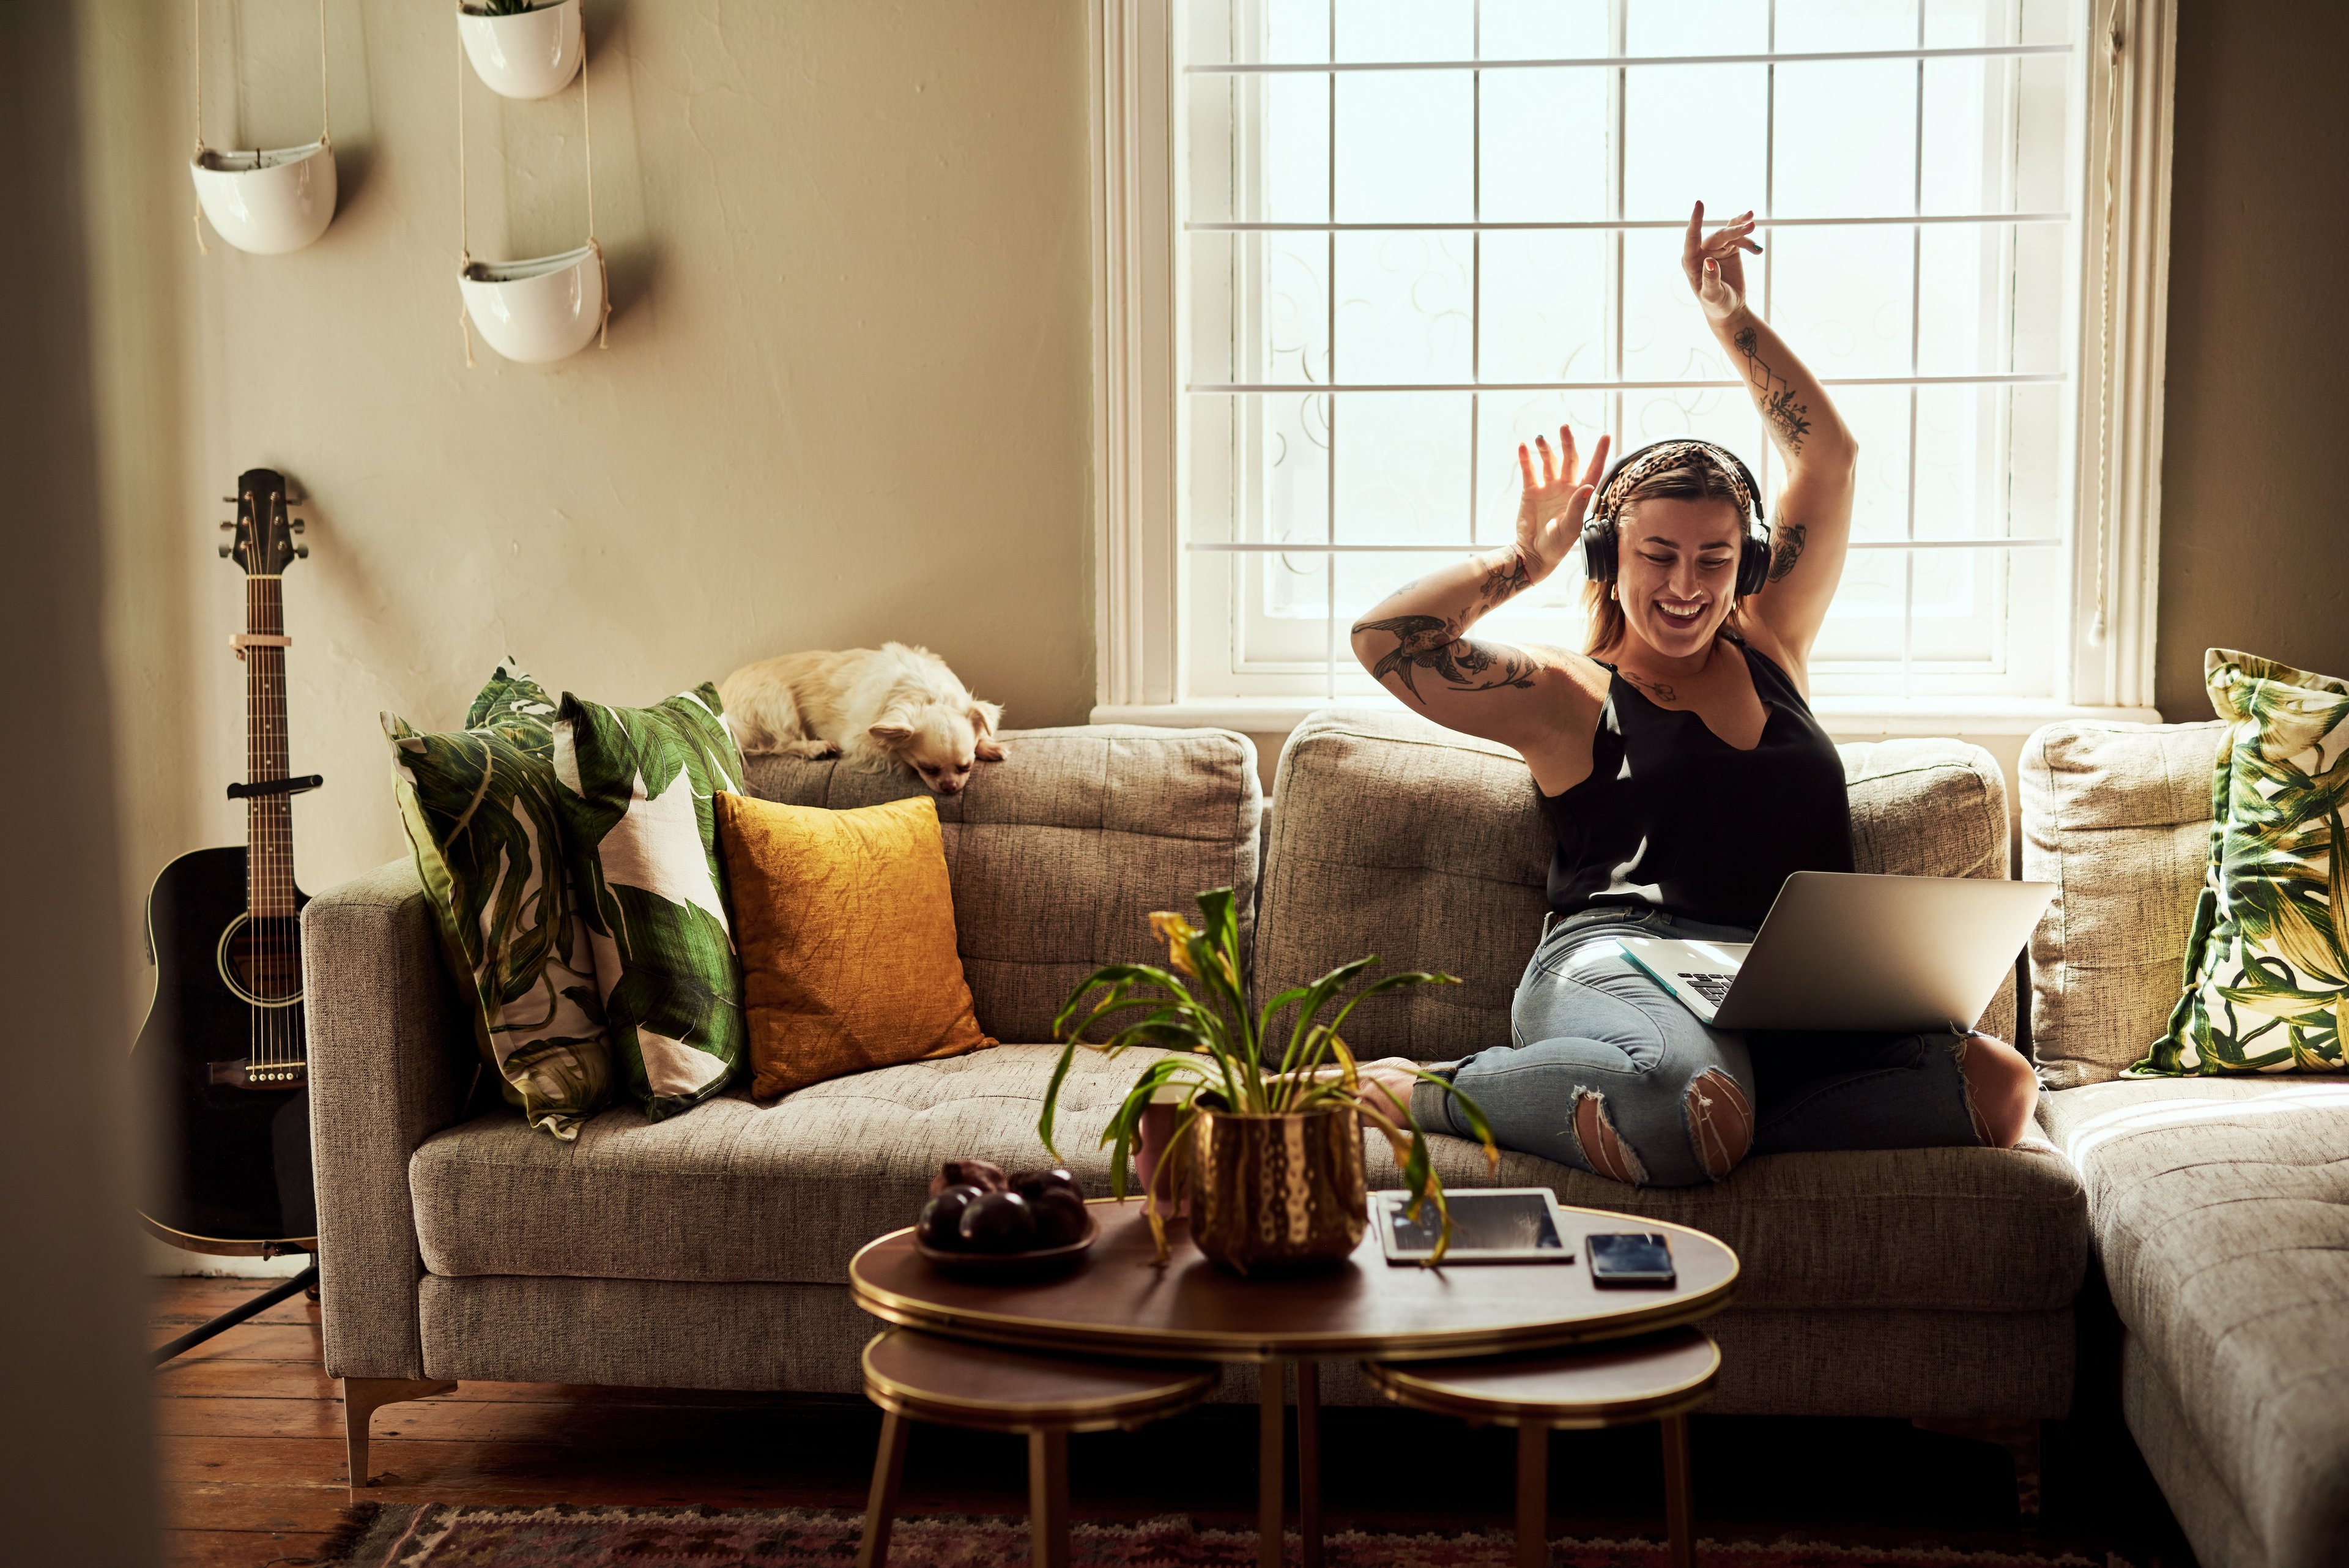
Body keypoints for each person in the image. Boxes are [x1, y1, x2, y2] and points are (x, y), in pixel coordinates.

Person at [1345, 202, 2038, 1187]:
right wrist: (1519, 560)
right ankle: (1417, 1092)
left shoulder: (1772, 644)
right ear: (1609, 557)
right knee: (1678, 1105)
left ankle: (1723, 1117)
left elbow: (1828, 460)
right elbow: (1387, 641)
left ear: (1747, 563)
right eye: (1657, 555)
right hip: (1621, 962)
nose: (1685, 586)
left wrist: (1731, 321)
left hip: (1773, 986)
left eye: (1714, 559)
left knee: (2000, 1088)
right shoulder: (1565, 693)